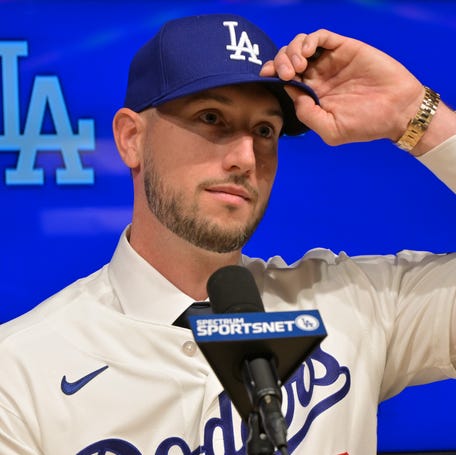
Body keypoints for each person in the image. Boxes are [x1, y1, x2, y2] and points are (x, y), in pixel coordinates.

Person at [0, 12, 455, 455]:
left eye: (264, 130)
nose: (245, 157)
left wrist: (414, 115)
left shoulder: (356, 301)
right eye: (211, 118)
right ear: (130, 138)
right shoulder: (18, 374)